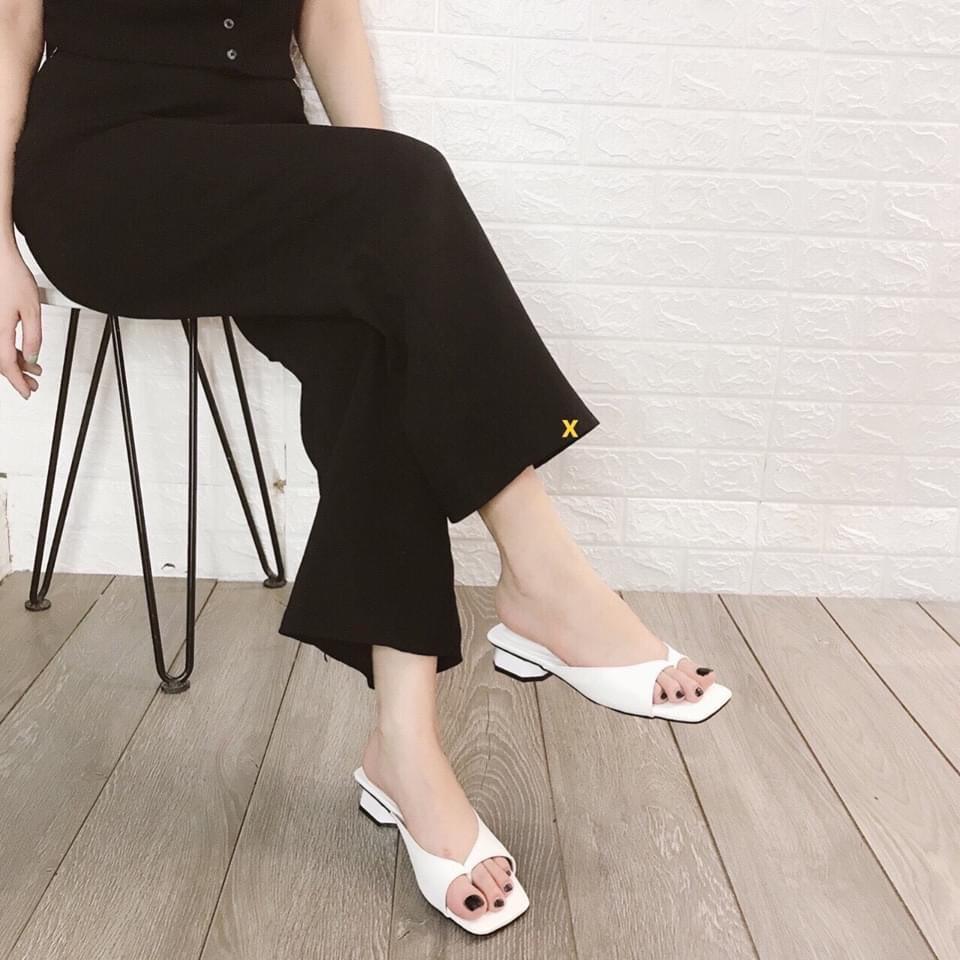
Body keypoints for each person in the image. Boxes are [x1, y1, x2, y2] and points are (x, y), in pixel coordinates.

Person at [0, 0, 731, 936]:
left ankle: (404, 748)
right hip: (106, 177)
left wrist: (394, 240)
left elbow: (328, 22)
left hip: (261, 169)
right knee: (408, 185)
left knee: (382, 343)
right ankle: (546, 582)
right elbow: (13, 31)